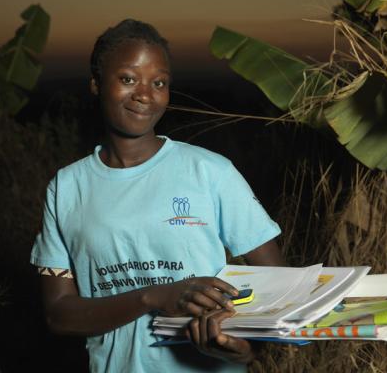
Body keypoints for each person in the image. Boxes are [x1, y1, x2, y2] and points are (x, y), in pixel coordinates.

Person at [31, 19, 284, 373]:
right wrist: (155, 296)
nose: (145, 94)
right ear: (96, 83)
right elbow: (59, 314)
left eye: (159, 82)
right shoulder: (67, 187)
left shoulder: (209, 171)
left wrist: (242, 349)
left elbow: (279, 284)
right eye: (128, 79)